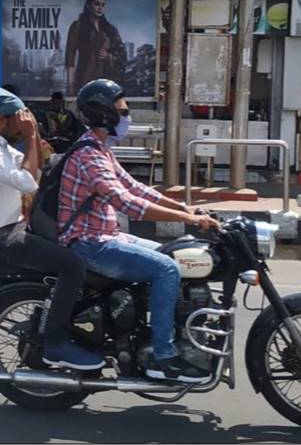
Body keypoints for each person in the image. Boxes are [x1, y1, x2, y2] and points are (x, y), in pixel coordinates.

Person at [58, 79, 221, 383]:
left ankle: (152, 331)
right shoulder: (88, 156)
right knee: (167, 269)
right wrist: (187, 219)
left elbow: (136, 187)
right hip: (89, 244)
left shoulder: (100, 149)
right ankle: (163, 355)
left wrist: (187, 209)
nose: (126, 116)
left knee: (169, 254)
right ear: (103, 115)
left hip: (108, 236)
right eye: (121, 110)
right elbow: (126, 202)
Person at [0, 85, 104, 370]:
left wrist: (35, 135)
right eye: (21, 118)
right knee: (73, 265)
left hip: (15, 228)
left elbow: (39, 166)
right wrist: (29, 136)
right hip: (3, 239)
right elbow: (28, 181)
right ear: (3, 118)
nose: (24, 124)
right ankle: (56, 343)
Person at [64, 0, 128, 95]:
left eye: (103, 5)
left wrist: (109, 56)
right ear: (89, 5)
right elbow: (70, 55)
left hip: (107, 78)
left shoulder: (110, 30)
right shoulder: (78, 26)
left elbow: (122, 53)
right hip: (85, 76)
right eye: (97, 4)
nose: (100, 8)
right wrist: (70, 85)